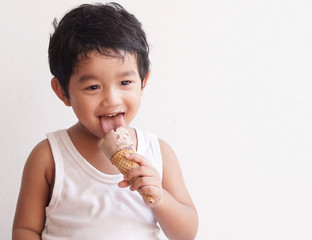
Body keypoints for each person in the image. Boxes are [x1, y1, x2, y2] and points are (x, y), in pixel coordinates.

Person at [12, 3, 198, 239]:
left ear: (143, 80)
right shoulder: (48, 156)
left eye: (125, 83)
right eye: (93, 87)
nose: (111, 99)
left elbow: (186, 233)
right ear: (62, 92)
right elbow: (25, 229)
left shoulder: (158, 152)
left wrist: (160, 197)